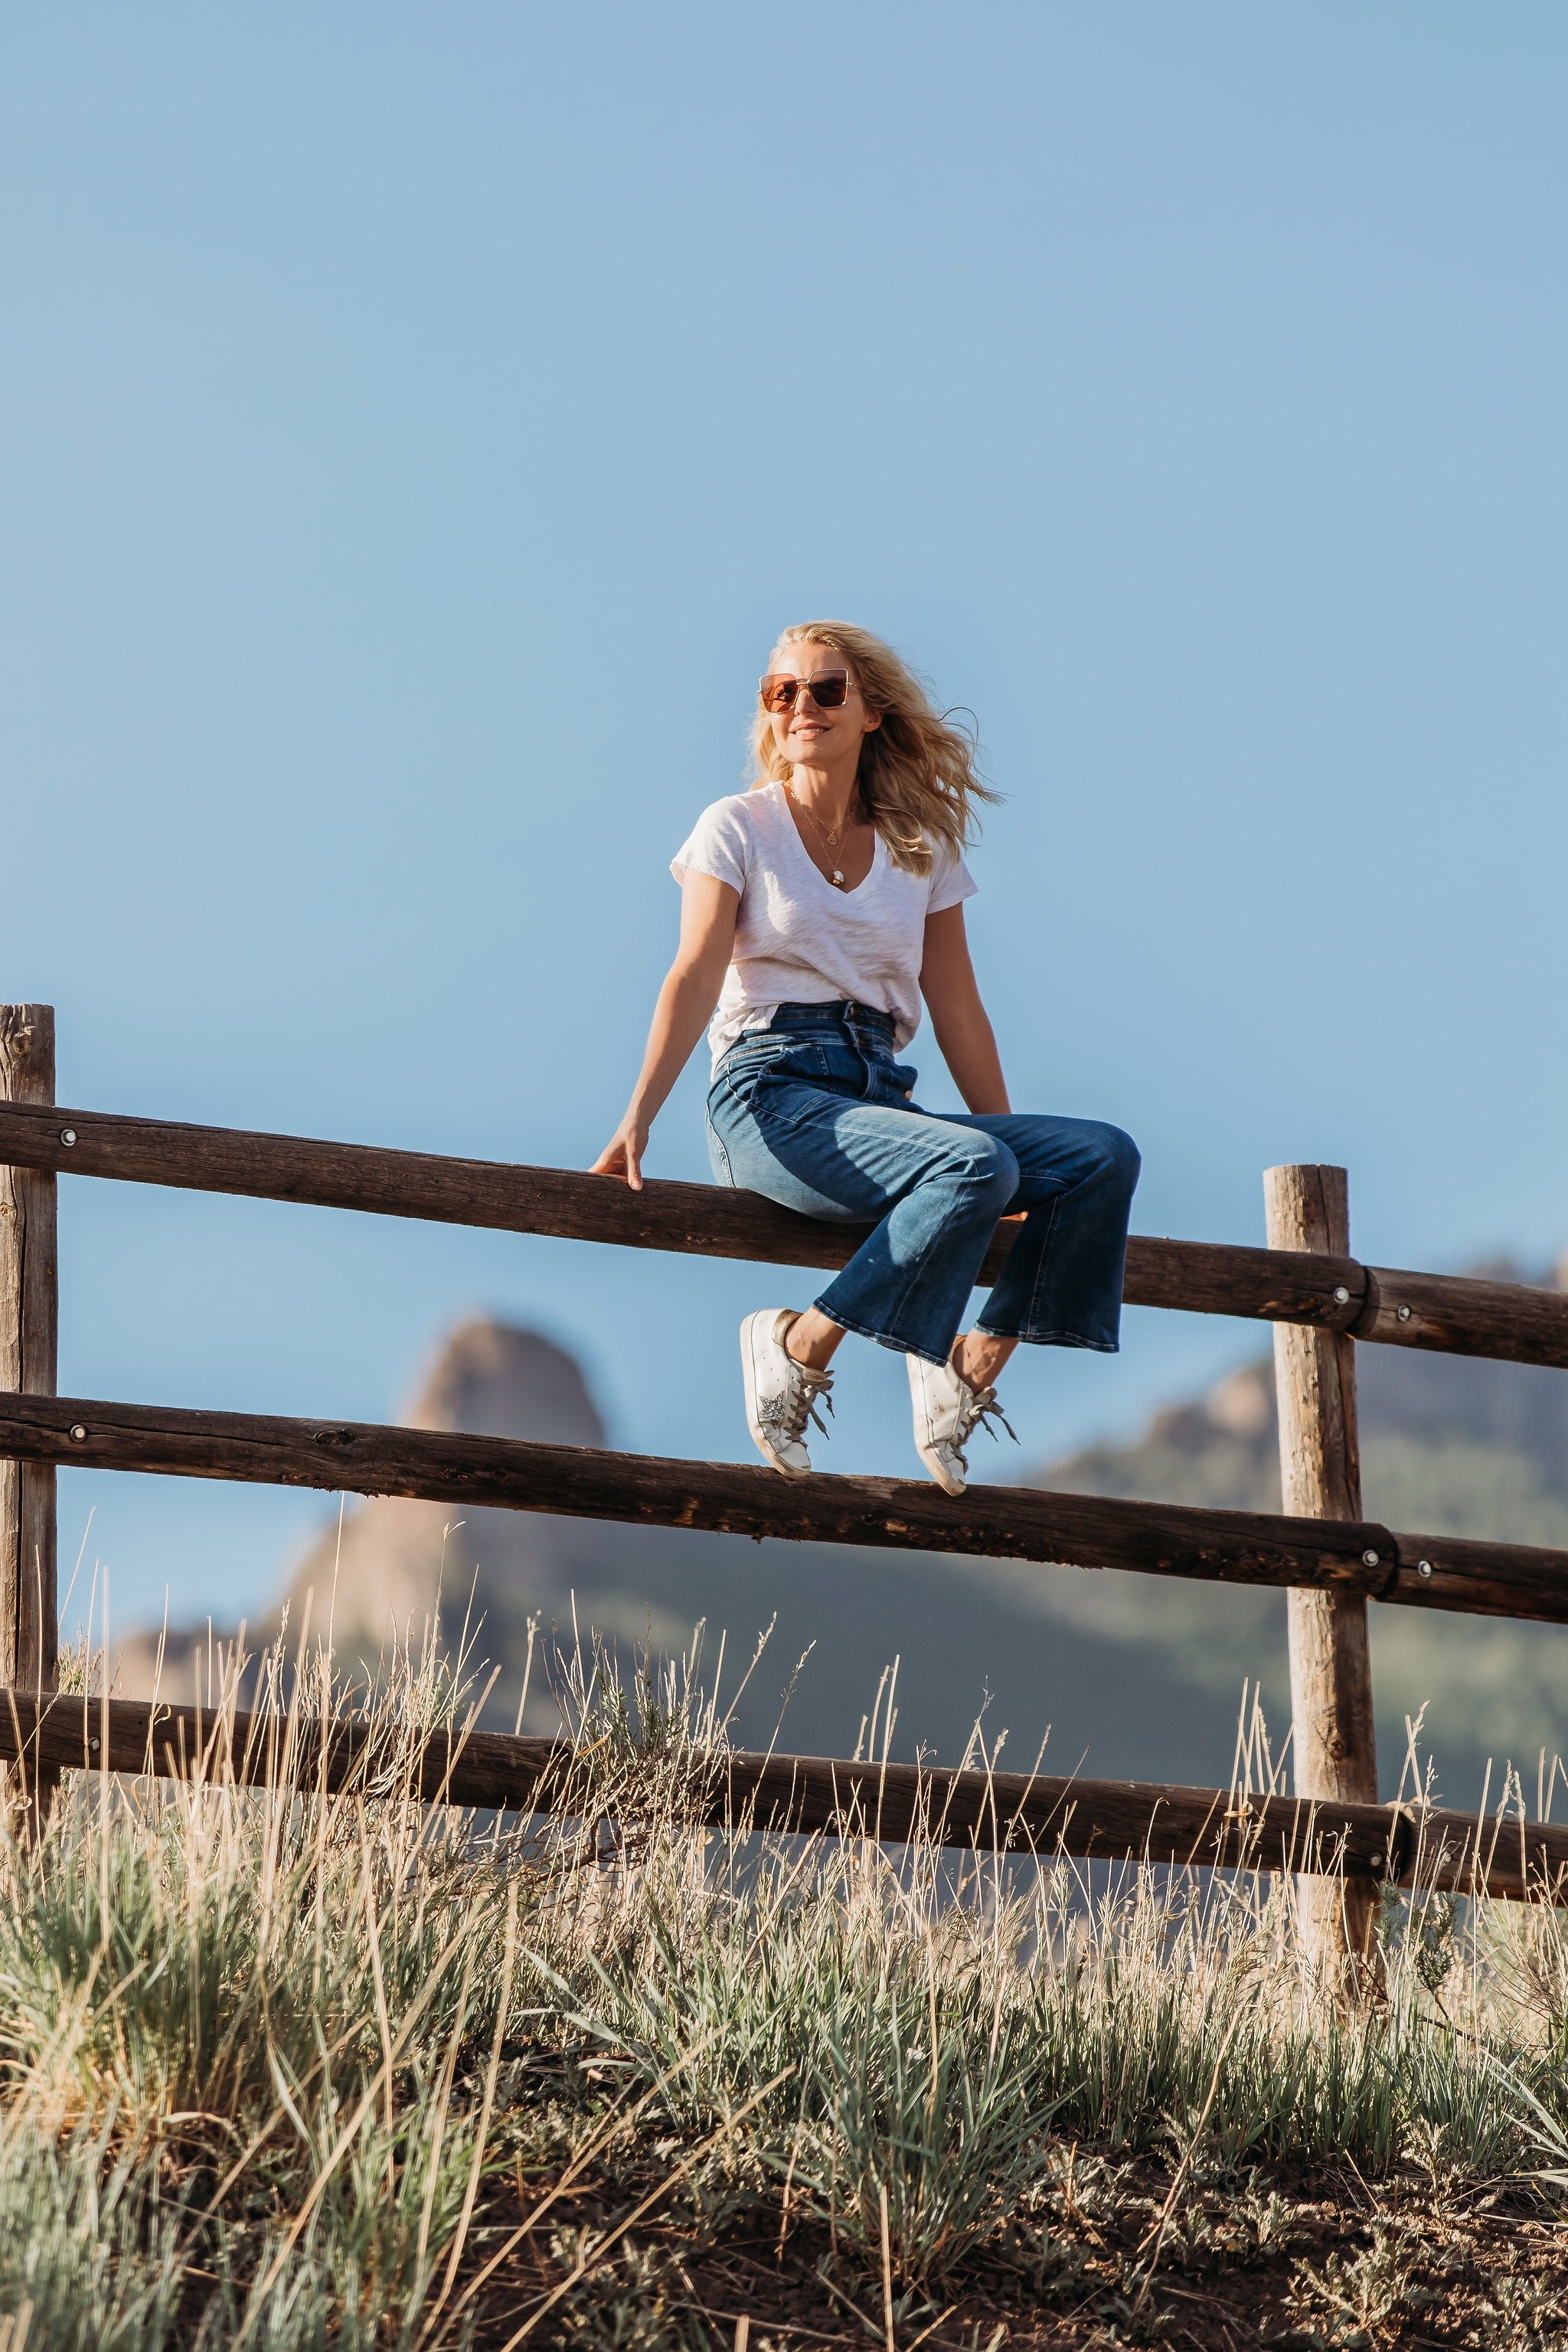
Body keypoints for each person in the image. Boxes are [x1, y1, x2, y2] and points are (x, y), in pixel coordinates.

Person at [593, 621, 1139, 1495]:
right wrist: (638, 1116)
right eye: (781, 694)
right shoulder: (735, 827)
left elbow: (958, 1007)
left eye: (824, 690)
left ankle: (965, 1360)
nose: (800, 708)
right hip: (767, 1097)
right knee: (974, 1164)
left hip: (878, 1094)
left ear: (871, 712)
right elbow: (694, 973)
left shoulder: (918, 847)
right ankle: (796, 1346)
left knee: (1098, 1157)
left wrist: (998, 1172)